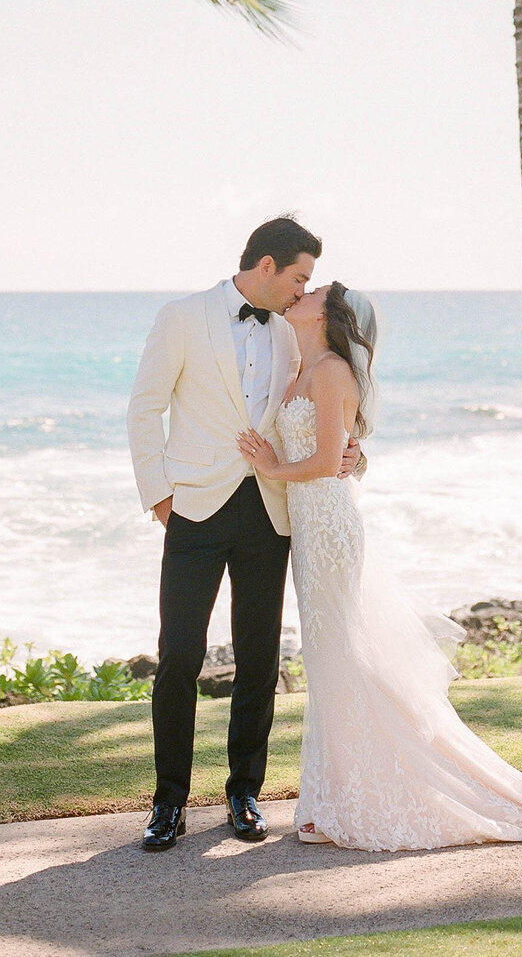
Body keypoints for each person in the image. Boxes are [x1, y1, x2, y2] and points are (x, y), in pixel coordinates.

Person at [237, 283, 522, 852]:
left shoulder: (332, 371)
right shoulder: (296, 369)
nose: (301, 292)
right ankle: (332, 796)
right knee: (330, 659)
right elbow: (340, 450)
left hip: (331, 527)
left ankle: (361, 798)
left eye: (313, 290)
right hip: (309, 535)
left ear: (329, 315)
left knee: (344, 657)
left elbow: (323, 463)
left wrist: (270, 465)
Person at [126, 217, 362, 852]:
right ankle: (169, 801)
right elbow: (144, 407)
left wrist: (350, 455)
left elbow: (327, 416)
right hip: (194, 511)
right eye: (299, 277)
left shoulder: (296, 335)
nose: (301, 290)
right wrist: (160, 497)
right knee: (179, 655)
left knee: (259, 658)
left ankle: (244, 793)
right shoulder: (182, 317)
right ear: (267, 267)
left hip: (270, 510)